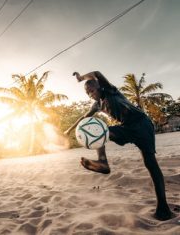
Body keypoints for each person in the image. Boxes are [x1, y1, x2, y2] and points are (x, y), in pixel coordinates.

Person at [64, 71, 173, 221]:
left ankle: (163, 208)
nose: (90, 94)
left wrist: (81, 78)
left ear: (99, 87)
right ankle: (103, 162)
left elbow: (96, 73)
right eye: (87, 93)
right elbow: (84, 118)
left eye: (92, 90)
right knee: (100, 130)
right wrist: (69, 130)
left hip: (142, 124)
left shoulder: (110, 90)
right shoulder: (97, 105)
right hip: (126, 127)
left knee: (150, 163)